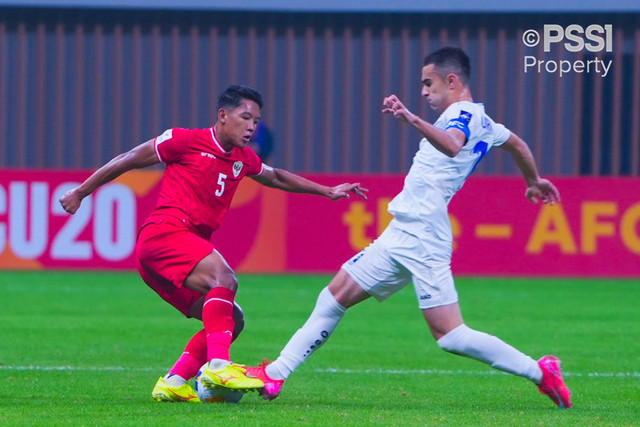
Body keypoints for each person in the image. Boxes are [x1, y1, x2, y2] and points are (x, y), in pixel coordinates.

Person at [247, 47, 572, 409]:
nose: (423, 91)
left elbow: (452, 146)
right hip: (404, 230)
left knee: (450, 336)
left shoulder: (461, 114)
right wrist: (534, 179)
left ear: (452, 81)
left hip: (424, 234)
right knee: (334, 296)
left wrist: (412, 119)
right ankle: (276, 374)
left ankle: (541, 371)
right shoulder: (486, 122)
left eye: (428, 82)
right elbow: (517, 145)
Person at [59, 85, 368, 403]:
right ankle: (219, 366)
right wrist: (81, 192)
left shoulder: (244, 159)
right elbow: (129, 159)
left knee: (231, 319)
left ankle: (175, 380)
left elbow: (276, 177)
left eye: (256, 122)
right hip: (164, 235)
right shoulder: (185, 140)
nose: (251, 127)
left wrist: (327, 191)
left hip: (168, 256)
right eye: (245, 117)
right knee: (225, 278)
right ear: (223, 116)